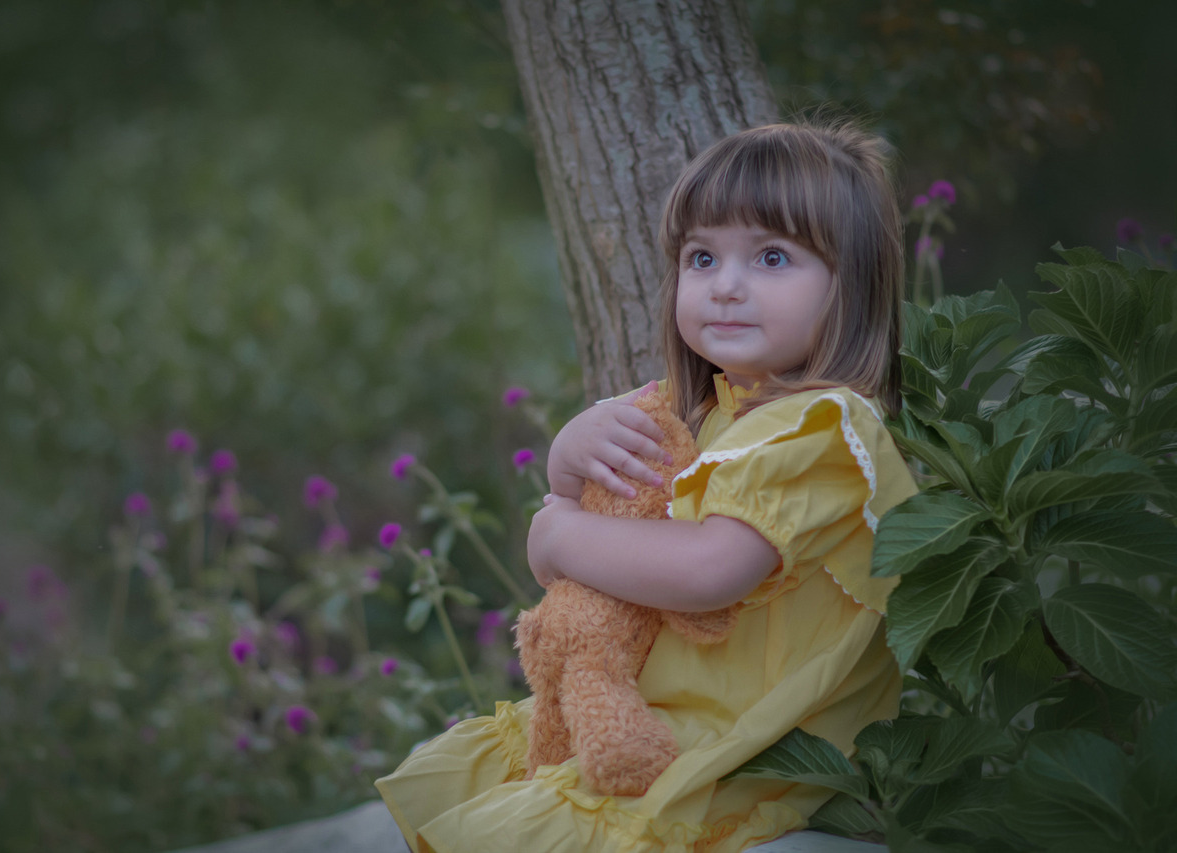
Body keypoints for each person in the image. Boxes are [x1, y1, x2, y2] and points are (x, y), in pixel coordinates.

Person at [376, 121, 917, 853]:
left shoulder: (822, 430)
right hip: (660, 717)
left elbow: (706, 571)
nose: (726, 285)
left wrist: (559, 529)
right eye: (702, 256)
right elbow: (574, 570)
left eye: (771, 256)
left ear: (849, 283)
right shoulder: (698, 414)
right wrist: (566, 467)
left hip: (744, 752)